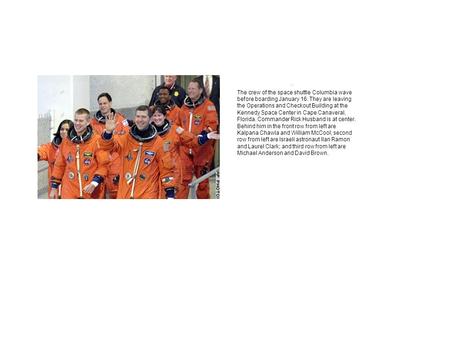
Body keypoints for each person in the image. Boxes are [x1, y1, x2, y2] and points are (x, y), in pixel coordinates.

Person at [99, 105, 177, 199]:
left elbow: (167, 170)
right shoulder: (126, 139)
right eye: (138, 116)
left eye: (144, 117)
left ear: (150, 119)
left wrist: (170, 196)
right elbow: (107, 147)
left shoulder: (158, 143)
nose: (140, 120)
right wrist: (108, 132)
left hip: (147, 194)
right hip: (125, 194)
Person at [151, 105, 219, 198]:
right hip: (153, 174)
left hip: (173, 174)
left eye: (159, 115)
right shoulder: (148, 133)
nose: (157, 118)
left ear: (164, 116)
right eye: (154, 116)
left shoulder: (175, 130)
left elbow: (192, 140)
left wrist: (207, 137)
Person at [49, 109, 109, 199]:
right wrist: (54, 188)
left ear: (88, 122)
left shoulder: (96, 141)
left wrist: (94, 182)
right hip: (69, 191)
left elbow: (104, 164)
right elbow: (59, 166)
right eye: (76, 120)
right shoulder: (66, 142)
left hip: (91, 191)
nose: (77, 123)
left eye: (81, 121)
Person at [179, 79, 219, 199]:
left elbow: (211, 125)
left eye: (193, 89)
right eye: (189, 88)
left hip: (202, 152)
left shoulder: (208, 106)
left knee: (203, 184)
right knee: (182, 182)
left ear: (200, 90)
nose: (190, 91)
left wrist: (202, 136)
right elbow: (178, 125)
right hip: (185, 152)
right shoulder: (184, 106)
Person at [90, 92, 130, 199]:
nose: (102, 106)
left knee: (117, 194)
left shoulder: (121, 120)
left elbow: (127, 141)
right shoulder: (92, 123)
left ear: (110, 103)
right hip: (99, 163)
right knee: (98, 194)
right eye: (100, 104)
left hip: (116, 162)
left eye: (105, 103)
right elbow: (92, 144)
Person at [38, 119, 74, 198]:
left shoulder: (76, 147)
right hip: (54, 189)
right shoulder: (50, 147)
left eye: (67, 130)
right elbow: (41, 151)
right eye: (62, 129)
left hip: (70, 187)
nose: (64, 131)